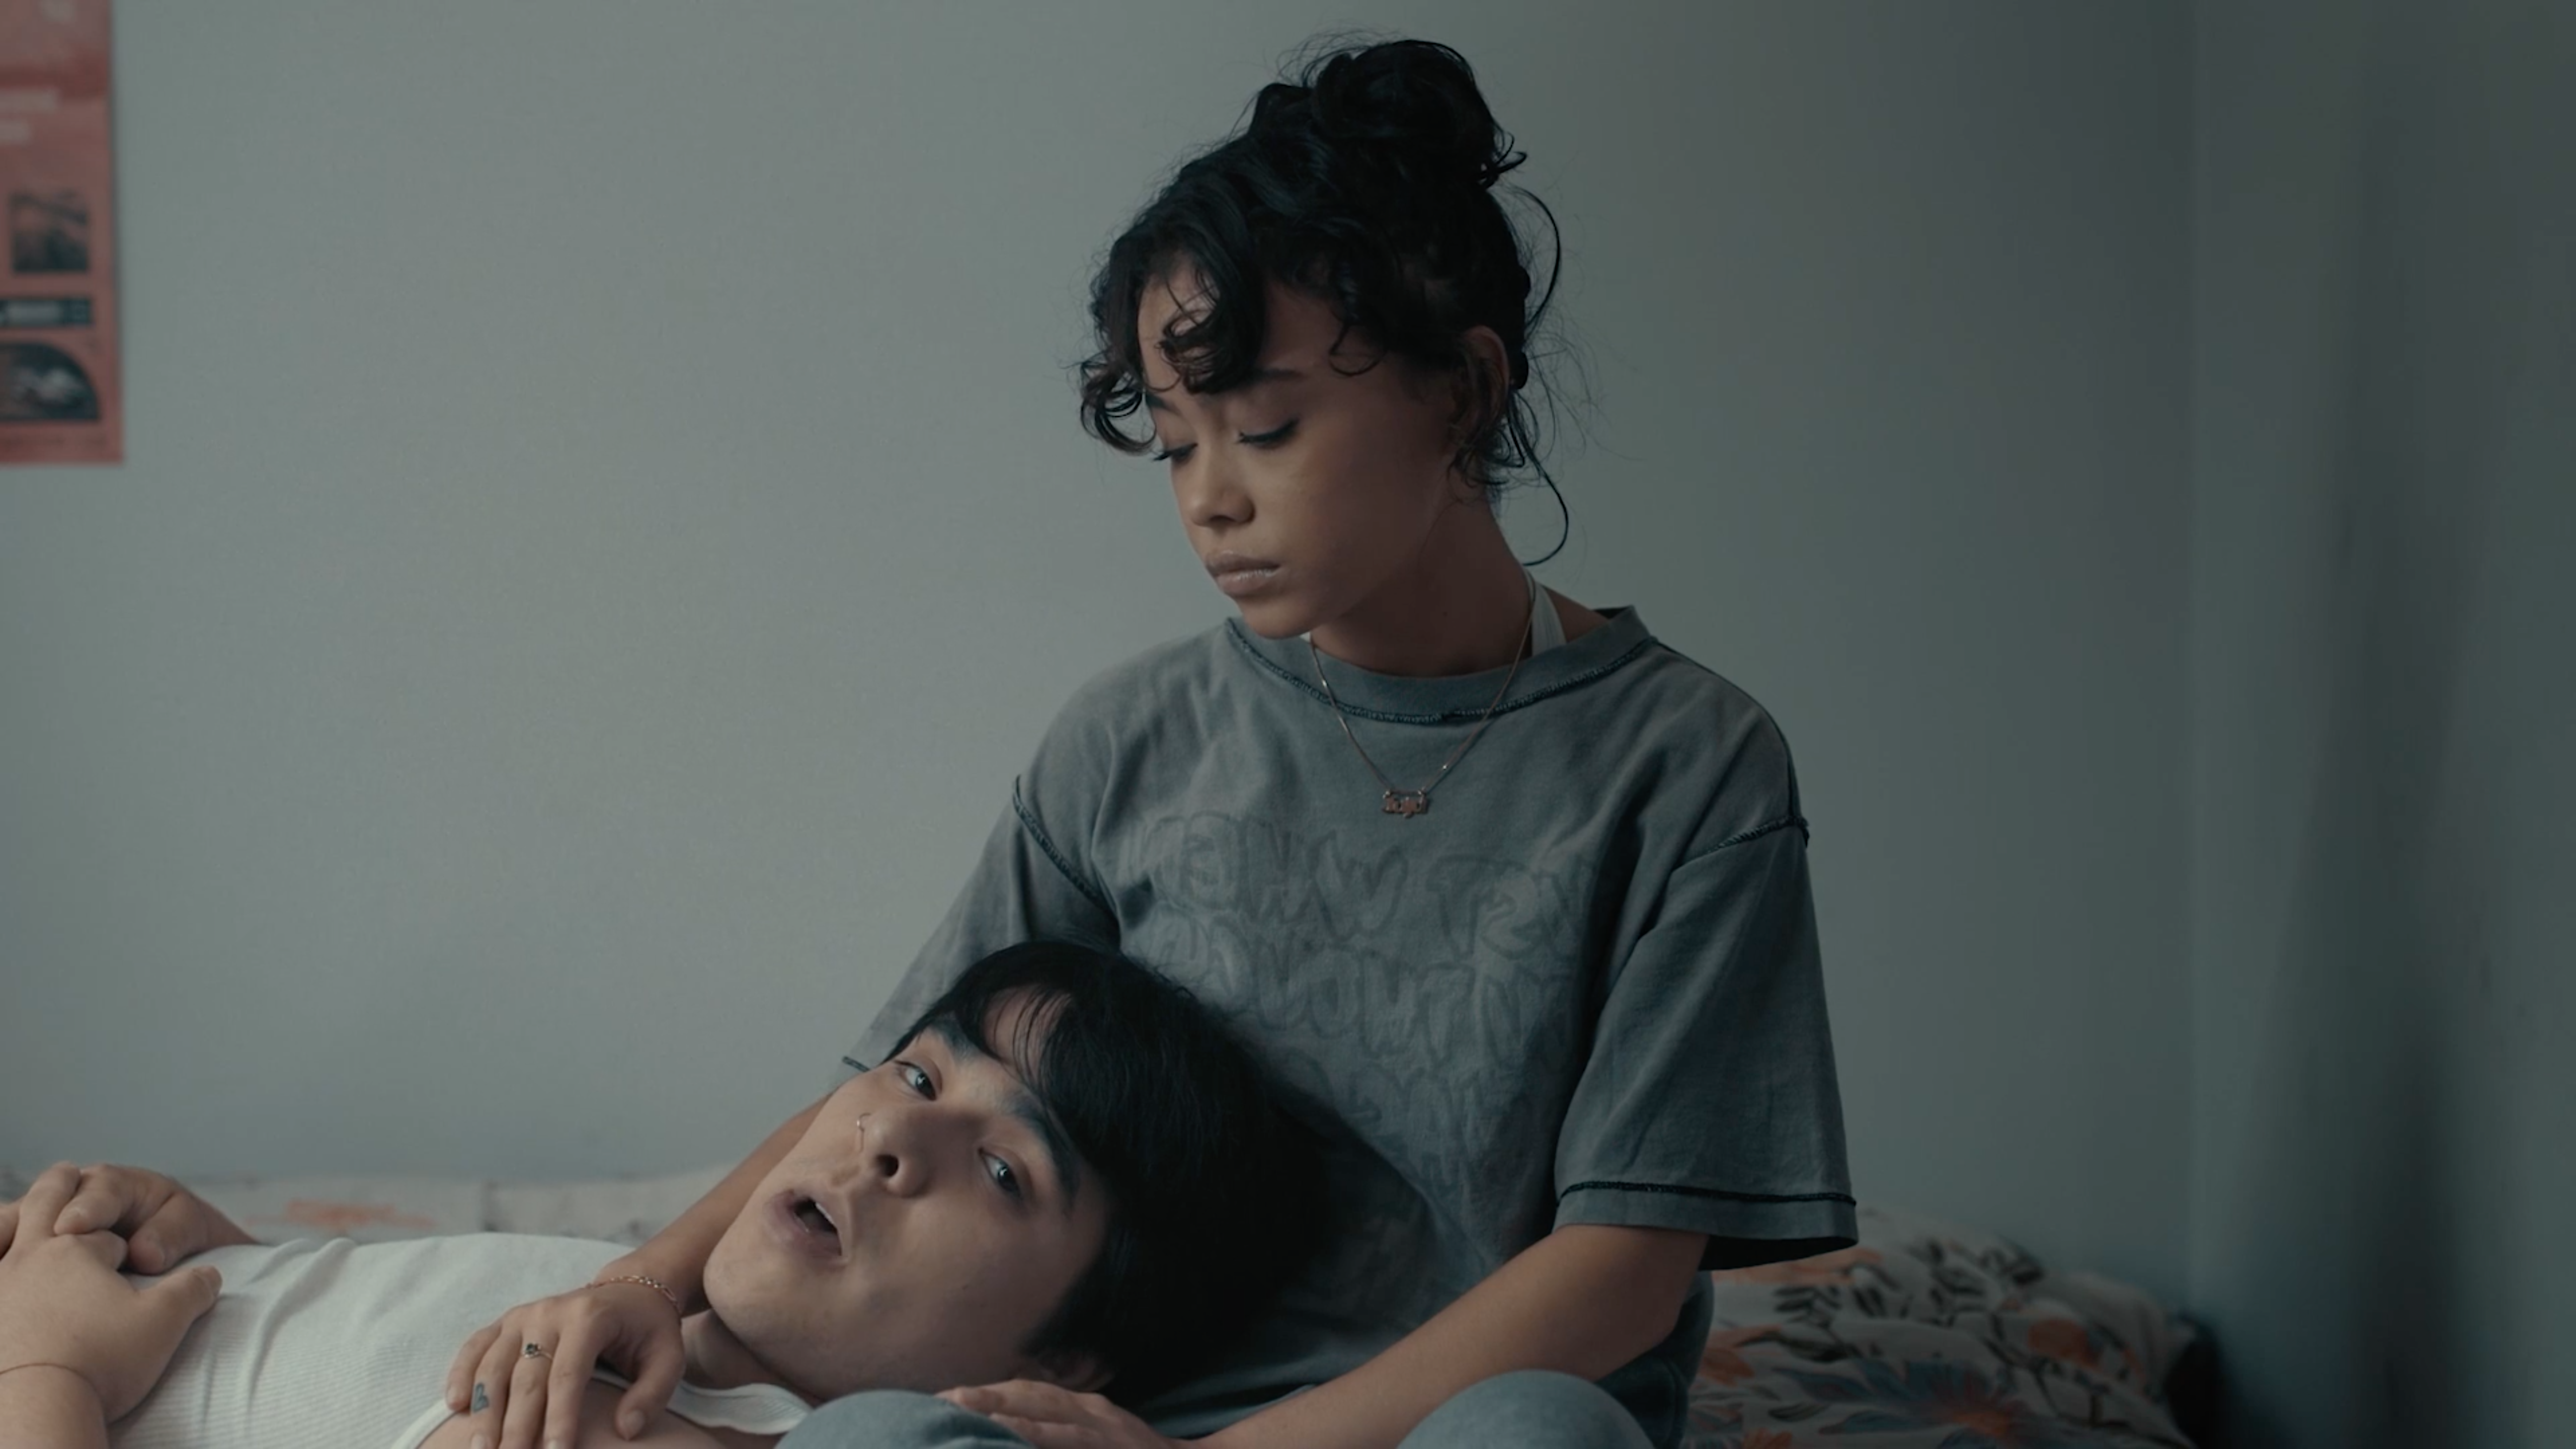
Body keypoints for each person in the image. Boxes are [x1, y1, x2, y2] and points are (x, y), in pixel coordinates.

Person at [36, 33, 1856, 1449]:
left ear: (1465, 389)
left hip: (1437, 1423)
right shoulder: (1134, 739)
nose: (1209, 499)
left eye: (1267, 428)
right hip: (1100, 1407)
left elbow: (1623, 1275)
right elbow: (892, 1079)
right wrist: (647, 1288)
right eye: (1173, 441)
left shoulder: (1685, 765)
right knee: (882, 1436)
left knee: (1541, 1434)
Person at [0, 941, 1324, 1449]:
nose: (889, 1139)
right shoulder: (633, 1321)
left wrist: (49, 1366)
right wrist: (234, 1269)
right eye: (918, 1074)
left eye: (1000, 1170)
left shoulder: (632, 1432)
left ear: (1066, 1365)